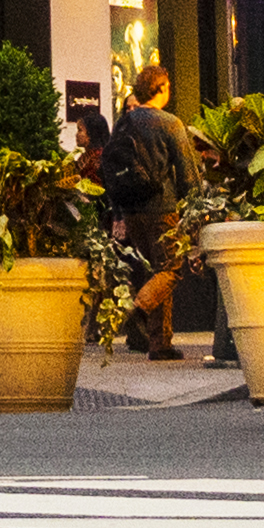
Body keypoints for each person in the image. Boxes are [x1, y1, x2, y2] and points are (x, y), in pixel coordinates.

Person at [93, 72, 197, 359]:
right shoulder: (170, 123)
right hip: (162, 208)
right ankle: (138, 306)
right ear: (161, 88)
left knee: (154, 271)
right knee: (171, 270)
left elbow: (112, 168)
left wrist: (118, 214)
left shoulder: (124, 123)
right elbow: (187, 172)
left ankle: (159, 344)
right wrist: (195, 208)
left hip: (130, 208)